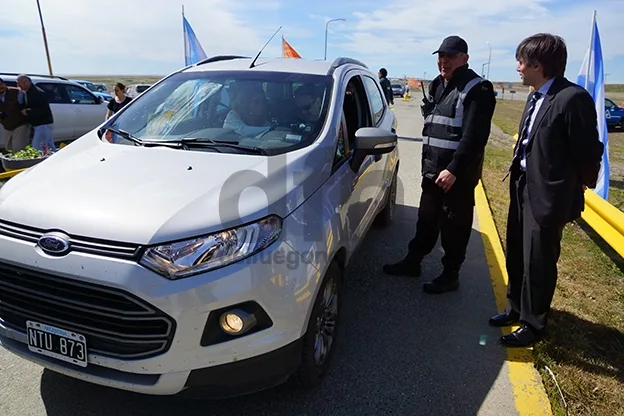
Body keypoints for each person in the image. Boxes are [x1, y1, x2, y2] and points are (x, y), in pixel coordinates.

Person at [490, 33, 604, 347]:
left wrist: (580, 183)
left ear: (538, 65)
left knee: (538, 260)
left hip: (548, 194)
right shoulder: (535, 94)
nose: (517, 68)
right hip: (522, 186)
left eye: (521, 62)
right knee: (516, 249)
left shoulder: (572, 98)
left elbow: (588, 149)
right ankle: (515, 307)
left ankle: (534, 324)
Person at [382, 35, 496, 294]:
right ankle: (413, 262)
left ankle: (450, 275)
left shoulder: (477, 89)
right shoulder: (438, 84)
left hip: (456, 176)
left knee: (454, 228)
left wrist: (454, 170)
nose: (444, 61)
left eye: (451, 56)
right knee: (426, 220)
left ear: (465, 59)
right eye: (441, 56)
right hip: (432, 170)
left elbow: (475, 138)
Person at [16, 74, 56, 152]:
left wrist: (27, 111)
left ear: (26, 83)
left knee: (38, 147)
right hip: (40, 124)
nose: (17, 85)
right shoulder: (28, 92)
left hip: (43, 124)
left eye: (18, 83)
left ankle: (40, 163)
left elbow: (42, 109)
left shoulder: (37, 93)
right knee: (48, 146)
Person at [0, 77, 30, 152]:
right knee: (8, 148)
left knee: (19, 148)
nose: (0, 87)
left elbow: (26, 105)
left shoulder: (16, 92)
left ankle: (24, 163)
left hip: (20, 125)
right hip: (7, 126)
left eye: (1, 84)